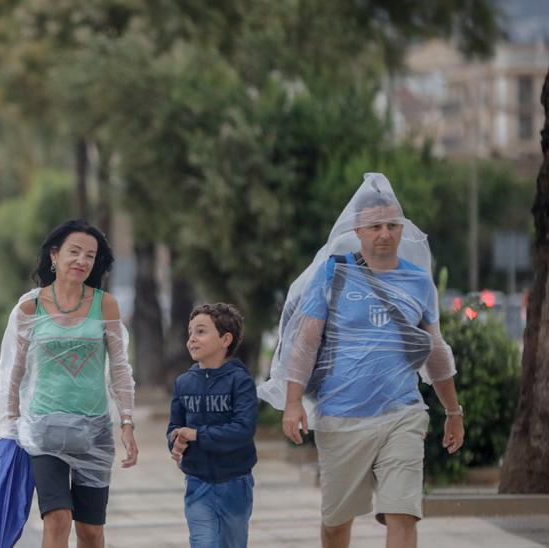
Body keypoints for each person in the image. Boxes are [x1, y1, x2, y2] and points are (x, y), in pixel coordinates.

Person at [259, 173, 465, 548]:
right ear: (359, 230)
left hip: (403, 413)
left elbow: (434, 349)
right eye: (375, 226)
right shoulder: (333, 273)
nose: (385, 233)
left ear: (401, 229)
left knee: (403, 513)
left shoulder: (418, 281)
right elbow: (305, 343)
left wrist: (453, 411)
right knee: (336, 523)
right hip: (341, 417)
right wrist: (292, 403)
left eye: (392, 225)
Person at [0, 219, 138, 548]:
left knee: (90, 531)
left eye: (90, 255)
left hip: (95, 434)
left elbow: (119, 367)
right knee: (57, 519)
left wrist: (127, 421)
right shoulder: (29, 307)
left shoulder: (106, 305)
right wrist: (8, 425)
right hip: (43, 432)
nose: (82, 261)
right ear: (54, 256)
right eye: (74, 252)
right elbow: (11, 373)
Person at [167, 303, 257, 548]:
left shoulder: (240, 382)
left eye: (201, 332)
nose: (191, 339)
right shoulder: (183, 383)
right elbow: (174, 427)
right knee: (203, 542)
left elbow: (243, 429)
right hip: (198, 483)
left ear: (225, 339)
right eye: (190, 333)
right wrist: (176, 442)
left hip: (235, 483)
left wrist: (196, 434)